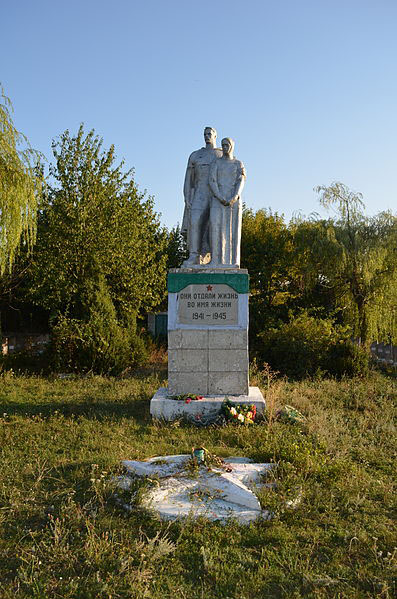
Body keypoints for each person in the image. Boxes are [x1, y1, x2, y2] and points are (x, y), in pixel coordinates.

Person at [181, 127, 222, 266]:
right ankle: (194, 256)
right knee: (195, 222)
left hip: (216, 195)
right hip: (199, 192)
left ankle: (216, 257)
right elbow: (188, 179)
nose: (207, 136)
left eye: (209, 134)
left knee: (215, 226)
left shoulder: (222, 154)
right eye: (205, 134)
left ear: (215, 135)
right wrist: (187, 197)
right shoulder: (195, 155)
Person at [208, 137, 246, 267]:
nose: (224, 147)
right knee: (215, 228)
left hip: (233, 201)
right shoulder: (216, 163)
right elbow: (212, 180)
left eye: (227, 145)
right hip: (217, 200)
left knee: (233, 231)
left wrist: (235, 196)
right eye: (223, 145)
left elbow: (241, 180)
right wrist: (219, 196)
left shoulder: (238, 163)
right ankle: (215, 261)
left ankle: (233, 262)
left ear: (232, 146)